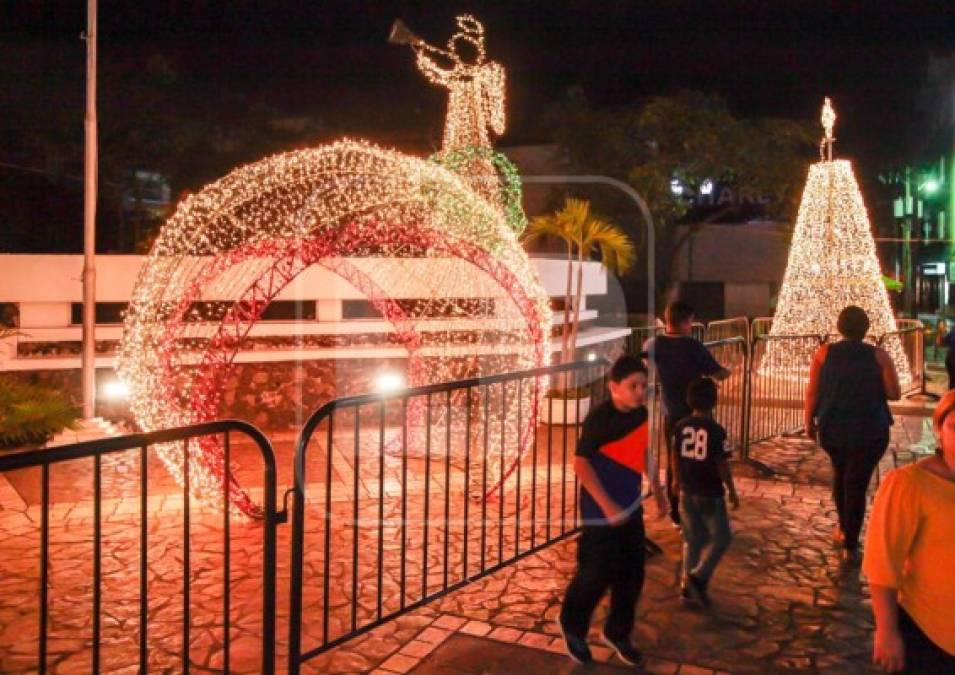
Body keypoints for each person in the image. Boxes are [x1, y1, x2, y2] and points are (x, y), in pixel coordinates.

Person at [558, 355, 650, 666]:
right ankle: (572, 625)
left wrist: (660, 490)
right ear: (614, 387)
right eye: (633, 386)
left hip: (631, 506)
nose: (640, 392)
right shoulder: (599, 420)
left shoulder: (640, 415)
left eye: (644, 385)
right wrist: (608, 506)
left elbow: (643, 450)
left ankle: (617, 631)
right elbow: (580, 463)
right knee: (596, 573)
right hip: (600, 512)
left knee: (633, 573)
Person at [863, 390, 955, 673]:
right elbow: (882, 563)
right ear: (939, 429)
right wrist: (886, 631)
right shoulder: (909, 484)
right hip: (929, 633)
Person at [805, 305, 900, 559]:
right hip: (870, 428)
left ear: (839, 326)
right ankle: (850, 541)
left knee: (842, 474)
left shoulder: (824, 353)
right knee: (856, 482)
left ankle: (845, 529)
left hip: (833, 425)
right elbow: (894, 393)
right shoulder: (879, 356)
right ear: (866, 328)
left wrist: (808, 421)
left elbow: (812, 391)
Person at [645, 301, 730, 525]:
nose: (692, 326)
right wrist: (727, 371)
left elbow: (643, 358)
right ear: (684, 322)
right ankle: (703, 509)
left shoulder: (656, 344)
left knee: (674, 462)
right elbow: (718, 373)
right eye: (691, 321)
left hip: (671, 413)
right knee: (704, 460)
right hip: (698, 413)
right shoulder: (693, 347)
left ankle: (676, 513)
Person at [671, 378, 739, 608]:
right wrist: (731, 489)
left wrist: (676, 480)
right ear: (714, 402)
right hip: (709, 492)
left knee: (692, 540)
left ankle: (686, 587)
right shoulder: (716, 431)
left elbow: (675, 456)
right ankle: (699, 576)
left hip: (687, 490)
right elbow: (722, 464)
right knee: (722, 538)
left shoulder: (681, 426)